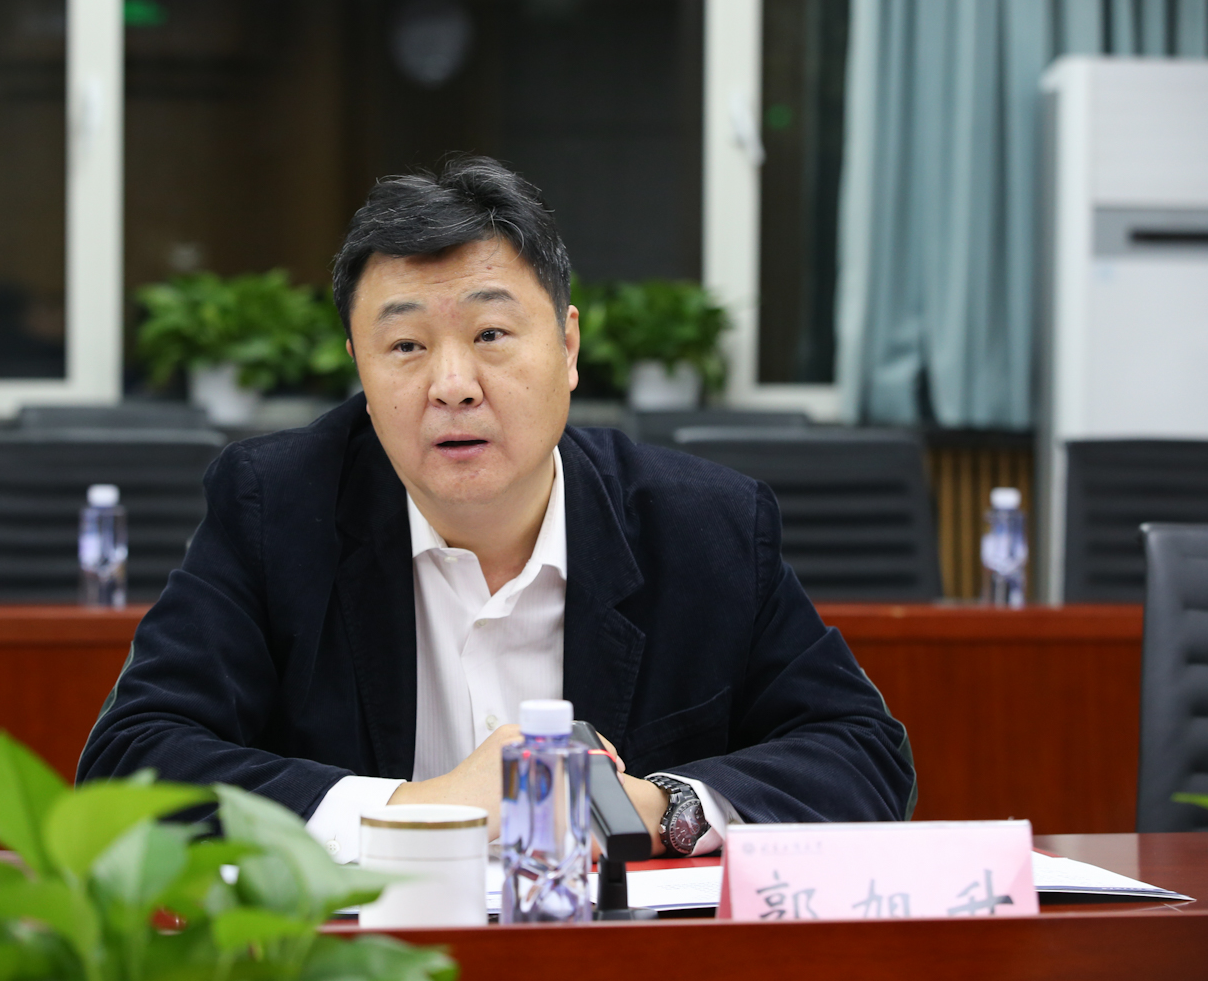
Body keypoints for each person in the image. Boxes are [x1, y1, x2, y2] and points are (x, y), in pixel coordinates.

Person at [79, 157, 915, 861]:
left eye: (490, 336)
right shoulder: (275, 510)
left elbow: (862, 754)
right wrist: (422, 812)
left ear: (568, 346)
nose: (452, 386)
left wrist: (662, 808)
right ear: (360, 367)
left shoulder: (703, 527)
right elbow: (130, 765)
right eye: (406, 346)